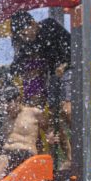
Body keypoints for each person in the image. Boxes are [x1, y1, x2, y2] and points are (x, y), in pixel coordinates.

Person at [10, 11, 72, 169]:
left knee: (66, 110)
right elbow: (15, 67)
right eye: (20, 36)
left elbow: (75, 48)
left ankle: (86, 143)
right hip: (53, 76)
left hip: (71, 68)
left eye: (24, 33)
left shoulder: (50, 26)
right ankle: (70, 157)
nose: (24, 38)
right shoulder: (28, 43)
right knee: (53, 117)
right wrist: (11, 87)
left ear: (33, 24)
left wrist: (64, 65)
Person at [0, 84, 56, 181]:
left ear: (18, 99)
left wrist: (50, 138)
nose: (6, 107)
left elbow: (49, 127)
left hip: (25, 155)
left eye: (8, 104)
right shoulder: (5, 118)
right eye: (4, 104)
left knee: (1, 161)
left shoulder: (34, 113)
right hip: (7, 155)